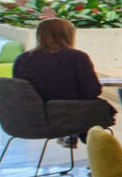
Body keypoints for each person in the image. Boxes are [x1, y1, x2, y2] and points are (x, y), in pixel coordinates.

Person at [13, 17, 113, 148]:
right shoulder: (77, 57)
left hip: (30, 117)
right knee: (99, 108)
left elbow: (19, 91)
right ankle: (97, 151)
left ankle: (72, 135)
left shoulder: (22, 59)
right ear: (68, 35)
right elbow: (92, 91)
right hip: (65, 115)